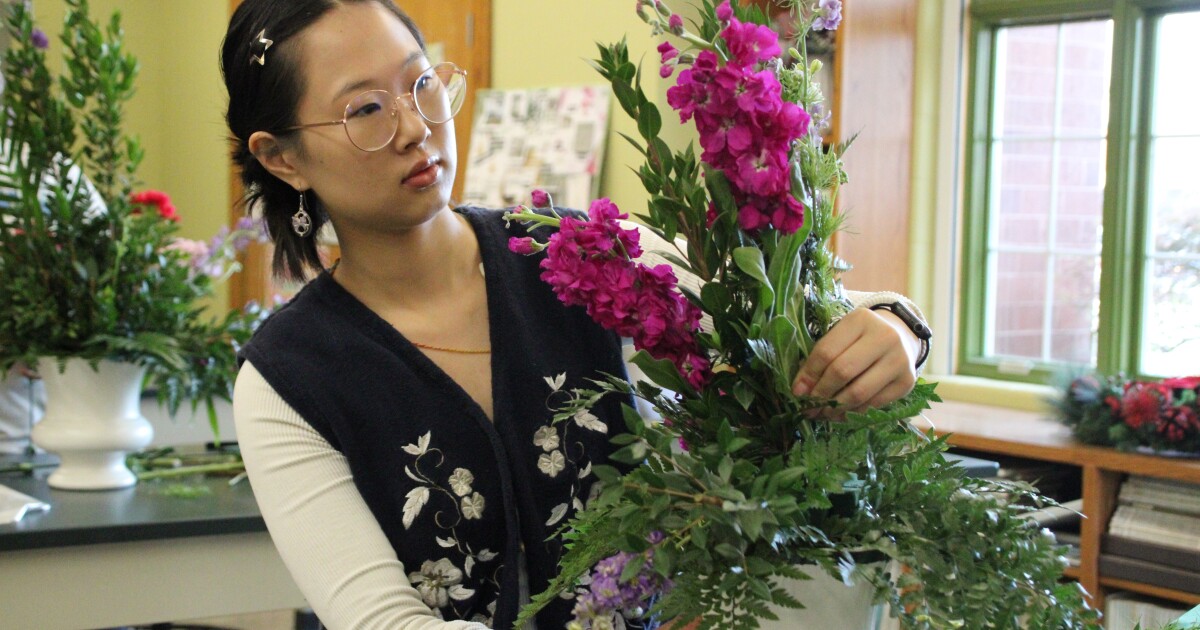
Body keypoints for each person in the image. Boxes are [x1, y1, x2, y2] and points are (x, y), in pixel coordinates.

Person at [223, 2, 929, 628]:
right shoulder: (289, 381)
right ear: (282, 157)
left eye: (421, 83)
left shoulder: (571, 252)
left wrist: (898, 328)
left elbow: (801, 320)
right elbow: (379, 620)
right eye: (366, 110)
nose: (415, 126)